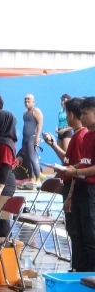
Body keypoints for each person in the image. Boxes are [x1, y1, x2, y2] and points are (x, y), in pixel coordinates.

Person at [45, 97, 86, 271]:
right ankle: (76, 267)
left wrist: (69, 195)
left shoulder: (81, 136)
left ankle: (79, 269)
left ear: (70, 114)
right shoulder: (76, 136)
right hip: (69, 185)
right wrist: (53, 145)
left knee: (77, 232)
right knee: (73, 231)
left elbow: (77, 168)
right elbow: (67, 162)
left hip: (73, 188)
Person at [60, 97, 95, 271]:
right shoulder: (87, 135)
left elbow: (87, 168)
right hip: (81, 189)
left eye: (85, 114)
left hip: (90, 190)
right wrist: (69, 170)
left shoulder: (86, 136)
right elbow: (83, 163)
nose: (82, 117)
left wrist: (75, 172)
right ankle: (80, 273)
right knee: (79, 235)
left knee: (90, 237)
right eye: (81, 113)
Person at [20, 94, 43, 186]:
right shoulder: (24, 113)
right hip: (25, 138)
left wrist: (37, 136)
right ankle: (31, 178)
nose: (26, 101)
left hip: (32, 138)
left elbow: (40, 123)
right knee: (27, 159)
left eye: (29, 100)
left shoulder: (36, 111)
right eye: (25, 100)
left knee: (33, 158)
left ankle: (38, 179)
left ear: (34, 101)